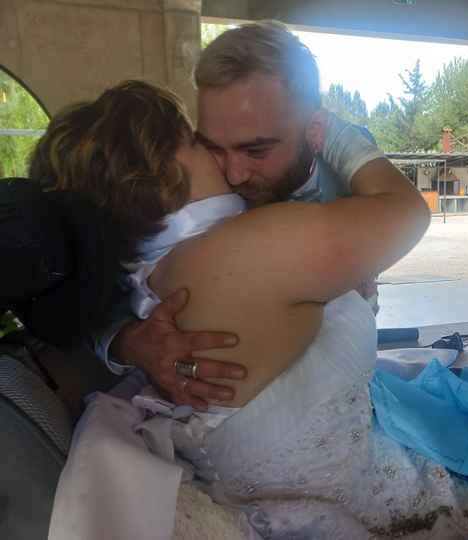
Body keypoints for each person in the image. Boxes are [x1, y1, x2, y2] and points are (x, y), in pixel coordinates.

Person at [37, 80, 468, 538]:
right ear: (162, 170)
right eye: (201, 143)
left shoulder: (151, 276)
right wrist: (339, 137)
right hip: (359, 512)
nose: (226, 161)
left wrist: (119, 340)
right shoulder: (242, 249)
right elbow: (407, 213)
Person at [94, 21, 383, 409]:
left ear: (315, 131)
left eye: (256, 151)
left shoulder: (354, 166)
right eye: (213, 147)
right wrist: (129, 343)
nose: (232, 175)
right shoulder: (197, 185)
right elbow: (102, 276)